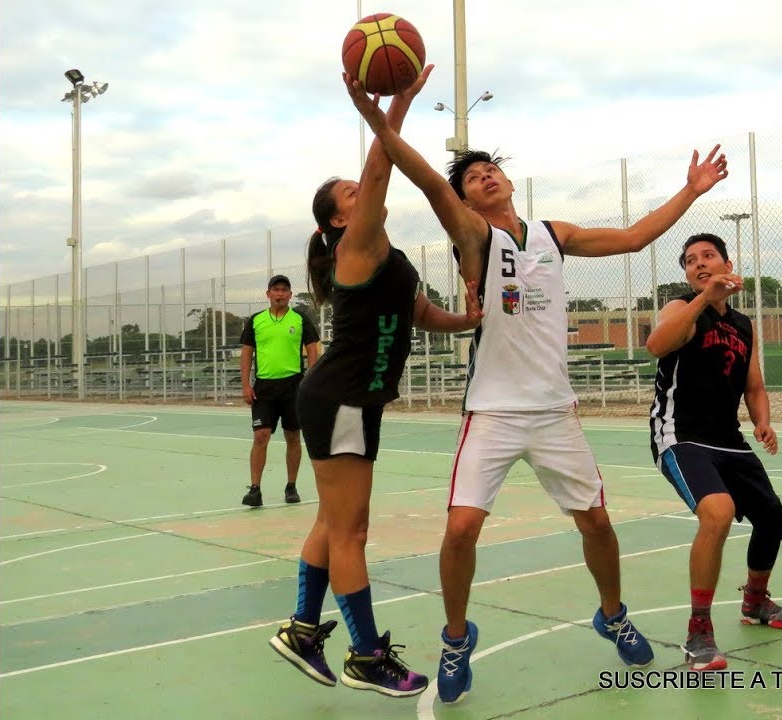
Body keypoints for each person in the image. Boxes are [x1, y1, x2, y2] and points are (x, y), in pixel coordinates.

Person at [343, 69, 728, 704]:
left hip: (554, 411)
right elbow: (426, 178)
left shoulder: (555, 234)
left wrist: (689, 192)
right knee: (462, 528)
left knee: (598, 524)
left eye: (490, 168)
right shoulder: (474, 236)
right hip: (492, 411)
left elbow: (633, 239)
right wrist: (383, 120)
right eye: (473, 176)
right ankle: (457, 636)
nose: (484, 176)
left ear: (508, 179)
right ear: (465, 199)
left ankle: (612, 613)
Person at [267, 69, 483, 699]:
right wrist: (395, 108)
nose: (363, 191)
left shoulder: (384, 253)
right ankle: (365, 654)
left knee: (333, 523)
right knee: (351, 533)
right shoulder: (352, 246)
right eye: (351, 192)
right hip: (340, 398)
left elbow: (416, 312)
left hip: (353, 401)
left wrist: (463, 320)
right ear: (339, 217)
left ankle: (305, 629)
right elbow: (385, 169)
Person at [647, 234, 782, 672]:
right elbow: (658, 345)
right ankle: (699, 629)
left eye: (708, 256)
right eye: (690, 261)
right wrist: (703, 299)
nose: (699, 264)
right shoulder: (680, 308)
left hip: (728, 437)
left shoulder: (742, 324)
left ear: (727, 263)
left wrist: (762, 421)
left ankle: (754, 602)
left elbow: (753, 384)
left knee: (772, 518)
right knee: (717, 512)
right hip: (680, 435)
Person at [240, 274, 321, 507]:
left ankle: (291, 486)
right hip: (264, 388)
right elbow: (246, 353)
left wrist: (311, 380)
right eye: (275, 290)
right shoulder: (256, 321)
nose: (280, 294)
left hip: (293, 387)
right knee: (260, 436)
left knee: (293, 436)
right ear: (268, 294)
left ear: (290, 295)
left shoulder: (300, 319)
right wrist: (246, 384)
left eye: (284, 290)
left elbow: (312, 350)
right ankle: (255, 489)